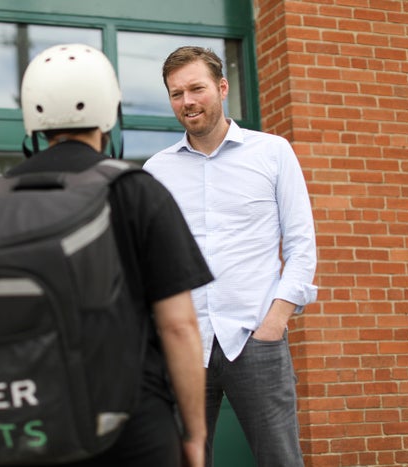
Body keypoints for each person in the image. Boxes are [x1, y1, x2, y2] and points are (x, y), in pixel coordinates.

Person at [6, 43, 213, 467]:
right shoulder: (138, 189)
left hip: (33, 418)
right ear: (109, 114)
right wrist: (194, 433)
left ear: (34, 118)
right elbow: (179, 327)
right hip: (131, 422)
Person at [143, 46, 318, 467]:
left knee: (280, 459)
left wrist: (274, 323)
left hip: (255, 335)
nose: (187, 101)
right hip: (184, 342)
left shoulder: (272, 153)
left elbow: (301, 247)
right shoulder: (155, 170)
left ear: (222, 88)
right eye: (176, 93)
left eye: (196, 88)